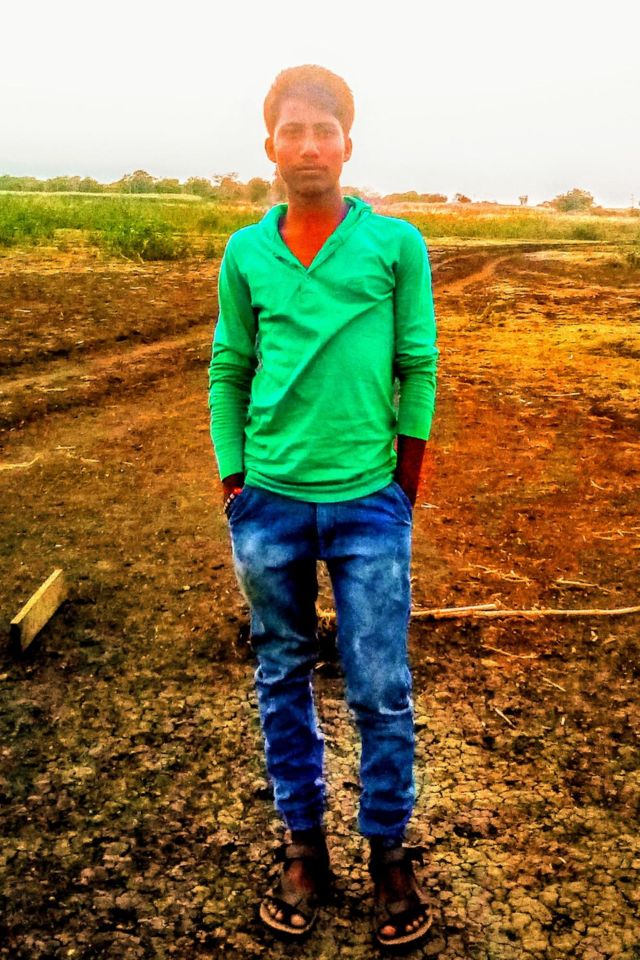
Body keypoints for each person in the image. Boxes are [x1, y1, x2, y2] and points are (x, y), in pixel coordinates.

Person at [208, 64, 438, 949]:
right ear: (270, 145)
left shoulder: (396, 246)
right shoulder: (245, 253)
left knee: (380, 686)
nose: (309, 146)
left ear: (347, 145)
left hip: (368, 506)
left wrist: (402, 486)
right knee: (282, 676)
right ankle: (304, 847)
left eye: (325, 132)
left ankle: (388, 853)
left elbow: (417, 365)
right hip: (268, 504)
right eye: (293, 131)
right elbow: (230, 368)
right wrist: (234, 479)